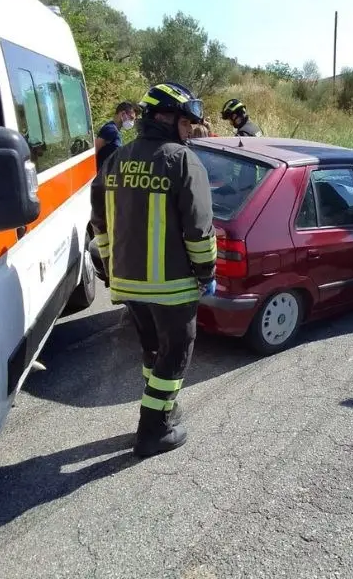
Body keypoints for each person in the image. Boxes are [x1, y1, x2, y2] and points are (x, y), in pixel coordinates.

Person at [90, 82, 216, 457]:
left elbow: (100, 223)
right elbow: (199, 228)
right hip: (172, 285)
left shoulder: (116, 158)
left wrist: (112, 268)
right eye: (186, 121)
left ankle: (163, 404)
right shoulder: (181, 160)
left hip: (127, 282)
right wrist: (206, 273)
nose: (189, 129)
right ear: (167, 118)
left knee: (152, 350)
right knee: (177, 349)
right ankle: (153, 427)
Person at [95, 102, 137, 171]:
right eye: (131, 118)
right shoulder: (111, 130)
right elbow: (94, 151)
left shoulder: (115, 130)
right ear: (123, 114)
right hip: (101, 175)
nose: (132, 122)